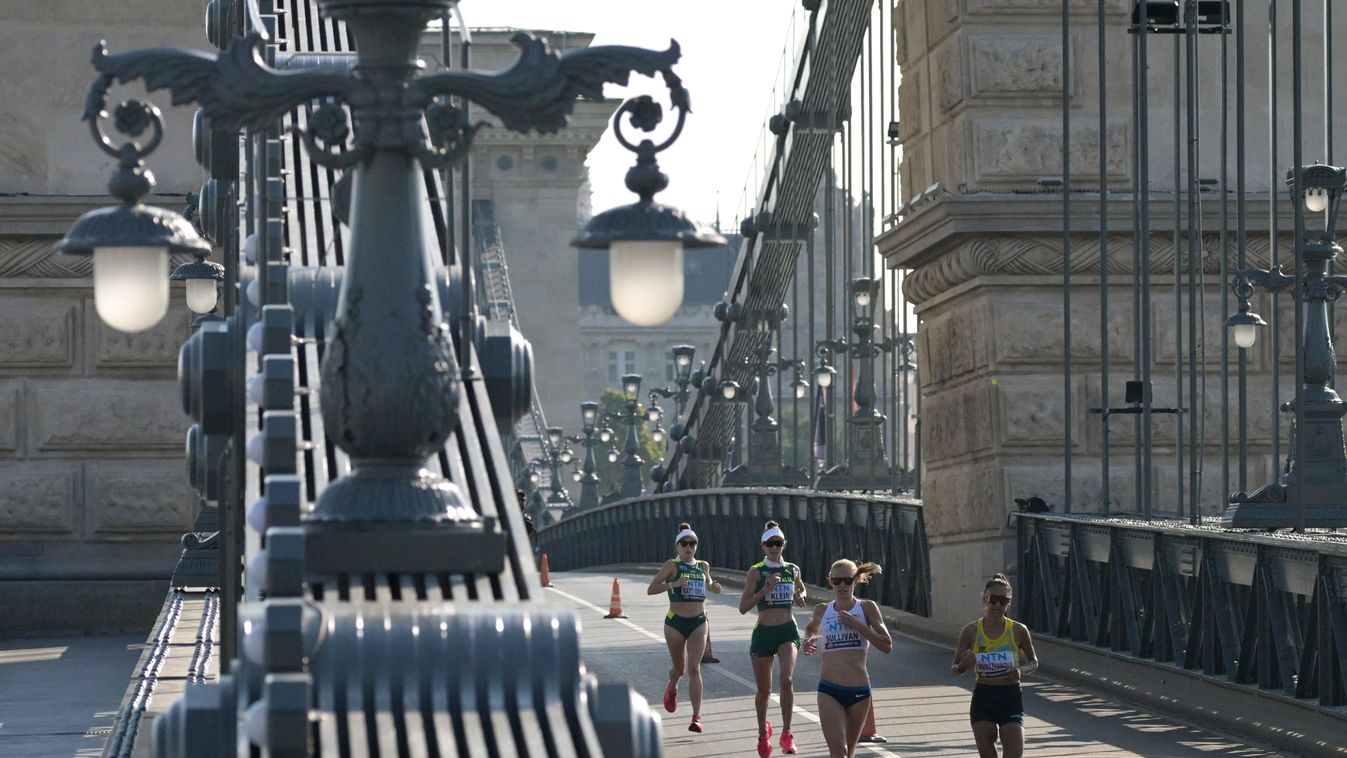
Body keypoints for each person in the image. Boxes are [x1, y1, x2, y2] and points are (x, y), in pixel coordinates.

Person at [802, 559, 892, 758]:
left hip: (859, 691)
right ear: (830, 581)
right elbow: (810, 629)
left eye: (847, 580)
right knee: (839, 753)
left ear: (856, 581)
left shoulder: (867, 608)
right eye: (837, 581)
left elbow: (886, 645)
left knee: (849, 752)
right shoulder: (822, 610)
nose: (842, 585)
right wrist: (808, 641)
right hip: (829, 690)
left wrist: (858, 625)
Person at [950, 573, 1039, 758]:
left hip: (1010, 697)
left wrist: (1021, 670)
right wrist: (964, 664)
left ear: (1009, 602)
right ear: (984, 599)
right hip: (984, 697)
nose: (998, 605)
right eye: (993, 600)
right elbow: (955, 669)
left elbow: (1033, 662)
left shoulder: (1018, 630)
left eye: (1003, 601)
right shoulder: (971, 631)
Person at [738, 520, 807, 757]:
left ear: (784, 544)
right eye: (770, 544)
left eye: (778, 543)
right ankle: (761, 733)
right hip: (764, 633)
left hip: (787, 630)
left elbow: (801, 587)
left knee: (786, 680)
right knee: (764, 691)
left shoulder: (792, 569)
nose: (774, 548)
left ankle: (787, 734)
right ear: (763, 546)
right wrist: (765, 589)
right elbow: (743, 607)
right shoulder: (756, 571)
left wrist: (800, 596)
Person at [646, 522, 722, 733]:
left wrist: (714, 587)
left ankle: (696, 717)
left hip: (699, 622)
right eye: (684, 544)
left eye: (692, 543)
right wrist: (674, 584)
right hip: (675, 623)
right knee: (679, 669)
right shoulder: (672, 565)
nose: (689, 547)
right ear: (677, 547)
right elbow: (651, 589)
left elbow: (709, 584)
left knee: (694, 668)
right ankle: (672, 687)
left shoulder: (702, 566)